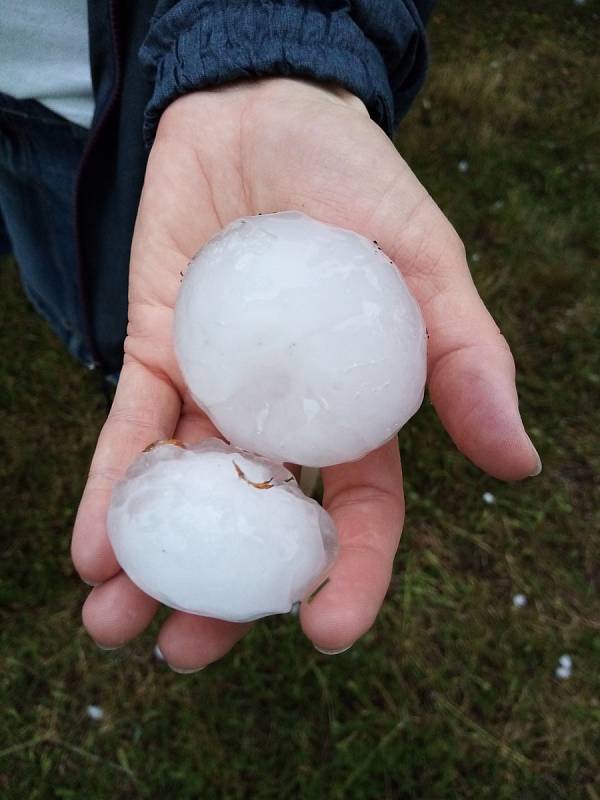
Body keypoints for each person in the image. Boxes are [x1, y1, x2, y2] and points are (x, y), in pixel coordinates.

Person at [0, 2, 541, 673]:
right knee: (56, 258)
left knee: (81, 266)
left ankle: (98, 349)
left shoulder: (317, 336)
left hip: (117, 100)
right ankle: (93, 343)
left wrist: (268, 37)